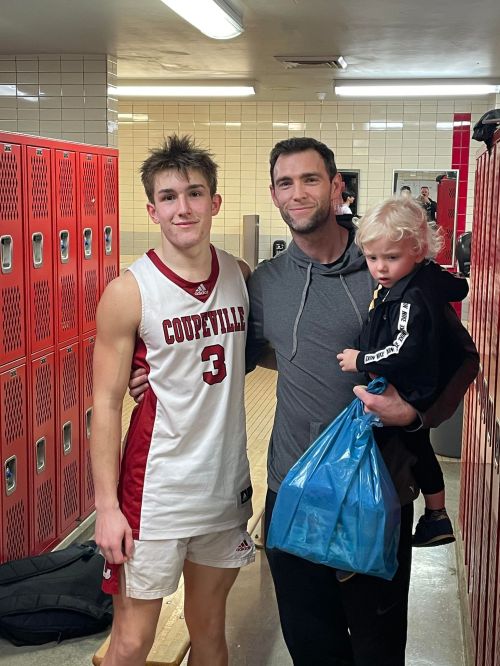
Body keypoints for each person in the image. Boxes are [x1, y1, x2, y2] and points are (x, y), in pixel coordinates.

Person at [130, 137, 478, 665]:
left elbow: (462, 359)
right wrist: (152, 372)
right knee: (312, 649)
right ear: (273, 194)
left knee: (377, 652)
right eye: (285, 183)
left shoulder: (388, 265)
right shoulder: (267, 283)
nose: (298, 193)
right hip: (293, 488)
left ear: (337, 187)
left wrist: (415, 414)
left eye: (311, 179)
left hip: (375, 491)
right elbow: (241, 355)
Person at [90, 134, 255, 666]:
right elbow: (105, 404)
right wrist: (106, 508)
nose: (182, 208)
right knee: (132, 641)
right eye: (168, 197)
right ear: (152, 210)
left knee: (209, 633)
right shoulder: (129, 291)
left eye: (194, 193)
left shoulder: (239, 275)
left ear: (215, 202)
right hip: (155, 493)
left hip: (223, 487)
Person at [337, 196, 478, 551]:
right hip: (417, 383)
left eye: (391, 257)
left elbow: (402, 348)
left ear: (417, 251)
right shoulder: (420, 279)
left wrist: (362, 359)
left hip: (411, 388)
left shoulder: (410, 296)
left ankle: (369, 531)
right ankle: (435, 515)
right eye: (372, 258)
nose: (380, 268)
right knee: (417, 447)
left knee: (383, 450)